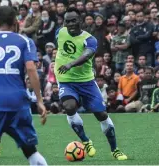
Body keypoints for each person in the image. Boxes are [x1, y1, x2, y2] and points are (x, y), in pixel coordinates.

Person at [0, 6, 47, 166]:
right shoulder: (25, 41)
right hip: (17, 101)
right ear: (16, 22)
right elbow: (31, 69)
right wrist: (39, 100)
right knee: (31, 151)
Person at [54, 8, 127, 160]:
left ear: (80, 20)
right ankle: (86, 141)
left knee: (101, 114)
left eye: (73, 20)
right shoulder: (60, 32)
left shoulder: (90, 39)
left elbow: (87, 54)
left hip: (86, 82)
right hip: (66, 80)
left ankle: (115, 150)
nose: (70, 24)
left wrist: (71, 64)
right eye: (67, 21)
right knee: (69, 107)